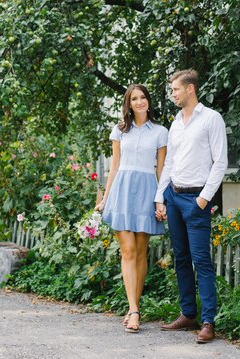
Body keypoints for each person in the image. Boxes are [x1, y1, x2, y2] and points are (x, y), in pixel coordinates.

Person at [155, 69, 228, 344]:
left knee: (202, 262)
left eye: (175, 89)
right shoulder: (176, 123)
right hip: (174, 197)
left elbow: (220, 163)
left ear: (190, 89)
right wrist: (160, 196)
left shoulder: (211, 119)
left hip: (196, 199)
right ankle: (188, 314)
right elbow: (170, 163)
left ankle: (208, 321)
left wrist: (203, 198)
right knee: (181, 259)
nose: (173, 94)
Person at [95, 84, 168, 334]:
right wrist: (105, 198)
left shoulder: (160, 132)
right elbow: (114, 167)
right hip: (122, 192)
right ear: (129, 103)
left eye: (143, 97)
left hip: (147, 191)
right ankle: (135, 310)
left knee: (139, 252)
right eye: (134, 98)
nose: (139, 102)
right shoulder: (119, 131)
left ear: (148, 100)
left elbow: (161, 170)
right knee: (127, 250)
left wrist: (161, 200)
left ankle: (133, 308)